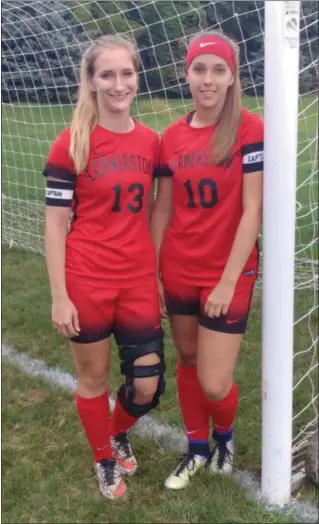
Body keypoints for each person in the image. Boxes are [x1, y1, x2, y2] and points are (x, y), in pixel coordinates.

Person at [44, 35, 165, 500]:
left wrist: (153, 271)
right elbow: (55, 225)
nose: (118, 84)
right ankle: (103, 457)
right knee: (93, 377)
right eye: (107, 74)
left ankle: (117, 431)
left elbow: (158, 210)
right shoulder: (71, 142)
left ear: (137, 76)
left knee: (147, 383)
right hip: (87, 278)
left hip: (135, 279)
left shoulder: (151, 142)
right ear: (91, 81)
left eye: (127, 73)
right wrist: (60, 295)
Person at [151, 30, 263, 489]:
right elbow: (162, 208)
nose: (208, 79)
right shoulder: (171, 137)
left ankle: (225, 436)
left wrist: (226, 280)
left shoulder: (250, 129)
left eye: (219, 70)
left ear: (233, 77)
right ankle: (197, 447)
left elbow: (252, 209)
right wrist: (153, 270)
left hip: (228, 271)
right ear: (186, 74)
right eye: (200, 69)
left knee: (214, 382)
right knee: (188, 356)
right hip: (178, 266)